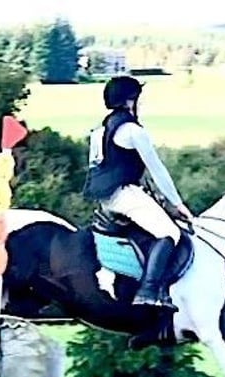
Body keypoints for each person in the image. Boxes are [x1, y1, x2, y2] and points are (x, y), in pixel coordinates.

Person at [83, 75, 194, 311]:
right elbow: (158, 171)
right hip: (124, 195)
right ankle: (148, 291)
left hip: (104, 199)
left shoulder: (99, 130)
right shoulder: (132, 131)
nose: (140, 104)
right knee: (169, 233)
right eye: (138, 99)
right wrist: (177, 204)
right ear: (129, 101)